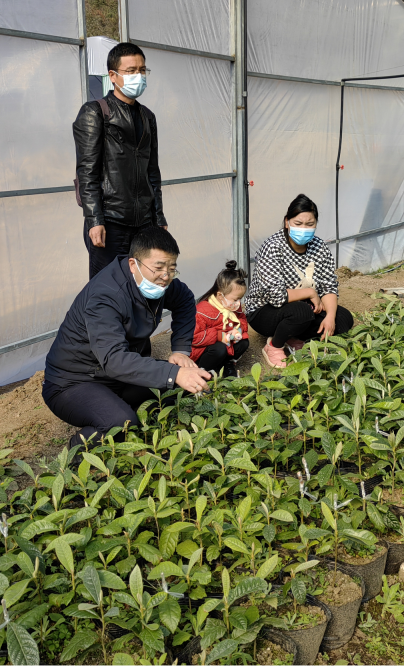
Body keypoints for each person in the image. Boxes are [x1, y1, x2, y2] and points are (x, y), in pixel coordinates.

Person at [42, 227, 210, 447]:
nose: (165, 277)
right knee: (120, 422)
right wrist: (174, 373)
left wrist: (180, 349)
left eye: (172, 268)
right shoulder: (105, 296)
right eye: (158, 268)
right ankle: (75, 452)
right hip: (74, 382)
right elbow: (114, 360)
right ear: (134, 264)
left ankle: (130, 421)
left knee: (181, 387)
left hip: (117, 376)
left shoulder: (156, 282)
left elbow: (185, 299)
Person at [73, 42, 168, 279]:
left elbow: (152, 171)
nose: (138, 75)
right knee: (109, 289)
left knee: (147, 285)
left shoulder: (147, 116)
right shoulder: (95, 112)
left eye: (142, 70)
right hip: (110, 221)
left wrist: (159, 217)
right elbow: (87, 172)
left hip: (144, 222)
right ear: (113, 76)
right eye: (131, 70)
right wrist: (94, 219)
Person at [245, 194, 354, 368]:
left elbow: (328, 285)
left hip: (304, 308)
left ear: (316, 224)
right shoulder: (272, 247)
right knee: (302, 312)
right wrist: (311, 292)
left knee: (343, 319)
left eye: (309, 224)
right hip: (265, 311)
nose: (304, 228)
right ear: (287, 222)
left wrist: (331, 317)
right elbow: (275, 296)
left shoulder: (319, 247)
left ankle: (295, 337)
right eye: (298, 223)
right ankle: (274, 346)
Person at [190, 261, 250, 377]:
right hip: (203, 351)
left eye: (240, 299)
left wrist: (239, 330)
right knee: (219, 349)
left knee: (244, 342)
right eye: (236, 299)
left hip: (226, 343)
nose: (238, 303)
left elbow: (242, 319)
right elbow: (194, 338)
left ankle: (227, 364)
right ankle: (204, 371)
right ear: (219, 296)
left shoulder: (232, 306)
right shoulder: (202, 312)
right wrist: (219, 336)